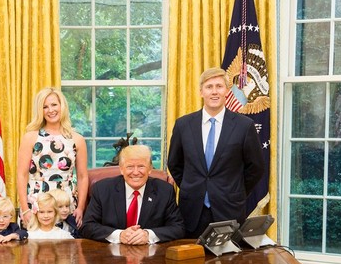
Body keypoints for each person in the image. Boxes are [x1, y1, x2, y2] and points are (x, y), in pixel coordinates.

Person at [167, 67, 265, 239]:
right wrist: (193, 186)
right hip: (192, 210)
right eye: (209, 87)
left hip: (229, 209)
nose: (214, 92)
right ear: (201, 92)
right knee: (191, 262)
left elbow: (255, 168)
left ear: (227, 91)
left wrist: (236, 190)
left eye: (219, 86)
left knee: (227, 263)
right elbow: (175, 164)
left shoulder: (244, 126)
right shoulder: (183, 125)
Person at [81, 144, 184, 244]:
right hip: (110, 256)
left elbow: (178, 228)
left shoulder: (165, 191)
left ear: (150, 169)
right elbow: (87, 226)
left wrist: (148, 235)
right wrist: (119, 235)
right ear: (121, 169)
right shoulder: (102, 189)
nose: (135, 172)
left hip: (150, 256)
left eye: (141, 166)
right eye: (130, 167)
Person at [17, 87, 88, 229]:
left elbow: (82, 176)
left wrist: (80, 208)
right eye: (45, 107)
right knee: (34, 250)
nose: (50, 110)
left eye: (54, 104)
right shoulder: (31, 137)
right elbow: (22, 174)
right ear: (40, 111)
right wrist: (25, 208)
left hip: (66, 206)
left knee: (66, 249)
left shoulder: (77, 139)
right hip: (36, 203)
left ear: (62, 106)